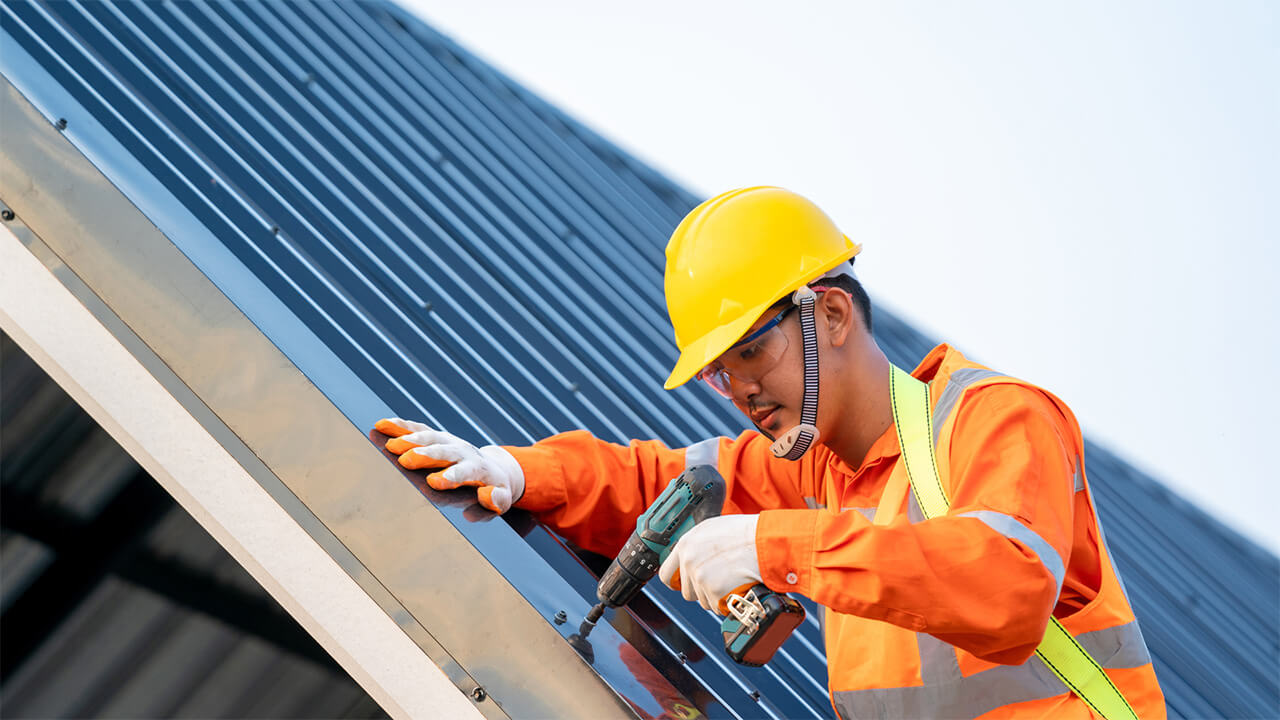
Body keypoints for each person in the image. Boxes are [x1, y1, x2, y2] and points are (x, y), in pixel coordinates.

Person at [374, 187, 1166, 719]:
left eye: (751, 351)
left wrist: (772, 545)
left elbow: (1004, 585)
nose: (740, 391)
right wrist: (518, 471)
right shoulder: (816, 472)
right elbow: (655, 483)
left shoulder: (992, 418)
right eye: (719, 373)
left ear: (831, 314)